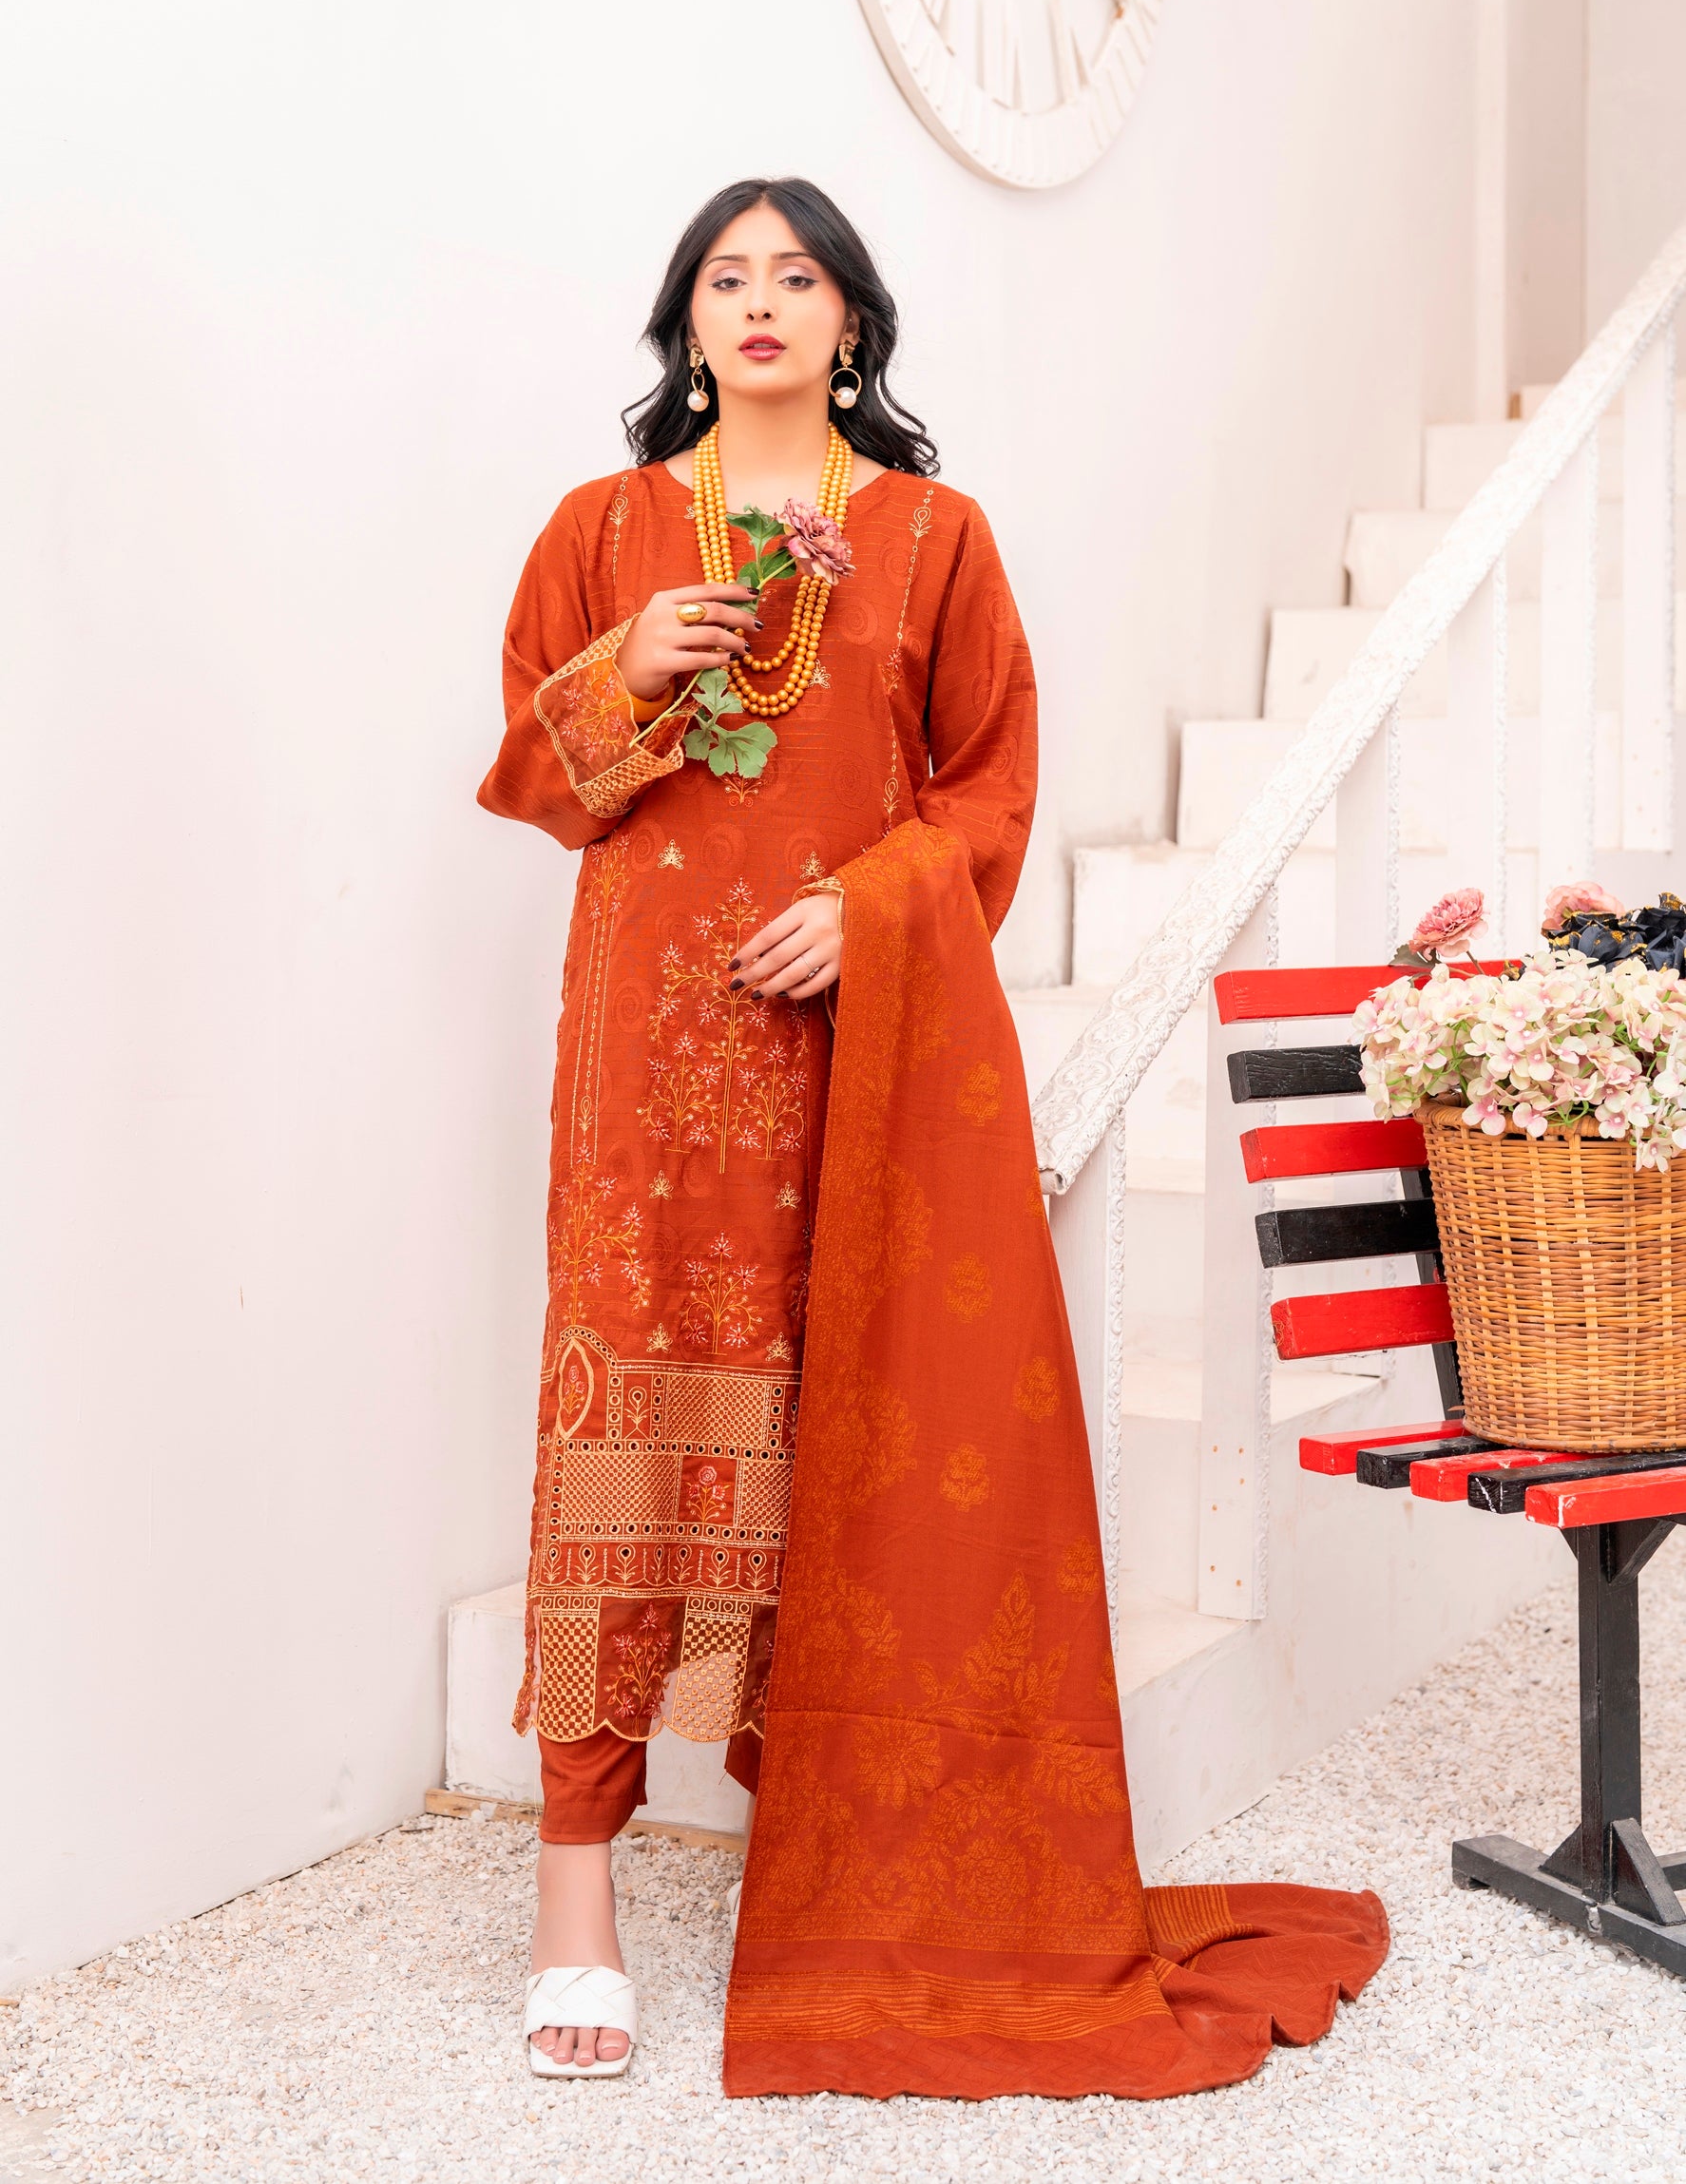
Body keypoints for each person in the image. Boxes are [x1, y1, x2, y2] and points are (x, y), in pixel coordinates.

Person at [479, 177, 1388, 2096]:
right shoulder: (600, 532)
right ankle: (574, 1878)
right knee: (619, 1419)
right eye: (724, 277)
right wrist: (626, 666)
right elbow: (540, 783)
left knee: (837, 1421)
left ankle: (823, 1844)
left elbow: (987, 792)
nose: (758, 302)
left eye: (795, 275)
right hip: (645, 1062)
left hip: (848, 1062)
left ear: (850, 323)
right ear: (684, 322)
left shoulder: (931, 537)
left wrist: (871, 906)